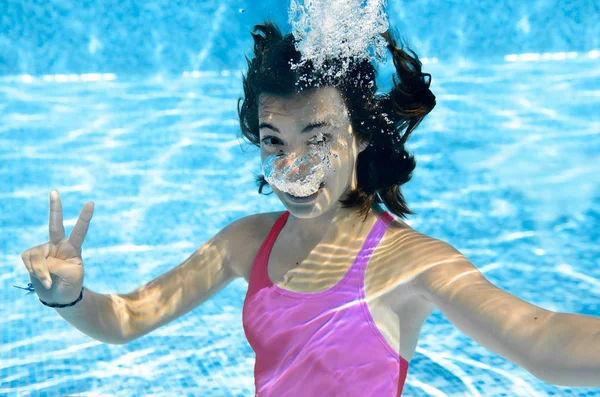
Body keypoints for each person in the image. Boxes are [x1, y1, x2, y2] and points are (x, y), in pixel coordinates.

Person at [19, 21, 600, 396]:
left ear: (364, 136)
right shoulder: (247, 243)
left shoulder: (409, 262)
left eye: (318, 138)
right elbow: (131, 318)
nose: (293, 166)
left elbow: (540, 337)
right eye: (276, 141)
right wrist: (65, 295)